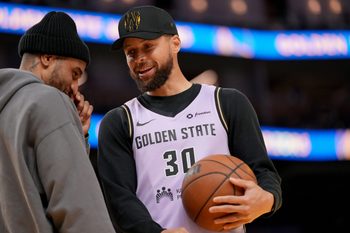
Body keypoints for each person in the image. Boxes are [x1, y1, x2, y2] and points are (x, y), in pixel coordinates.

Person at [98, 5, 282, 233]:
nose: (139, 59)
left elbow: (264, 172)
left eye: (148, 47)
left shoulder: (227, 103)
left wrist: (268, 199)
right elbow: (120, 201)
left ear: (175, 43)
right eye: (131, 53)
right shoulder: (118, 121)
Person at [0, 11, 115, 233]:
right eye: (74, 73)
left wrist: (75, 136)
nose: (75, 87)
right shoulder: (50, 100)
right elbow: (81, 210)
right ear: (48, 58)